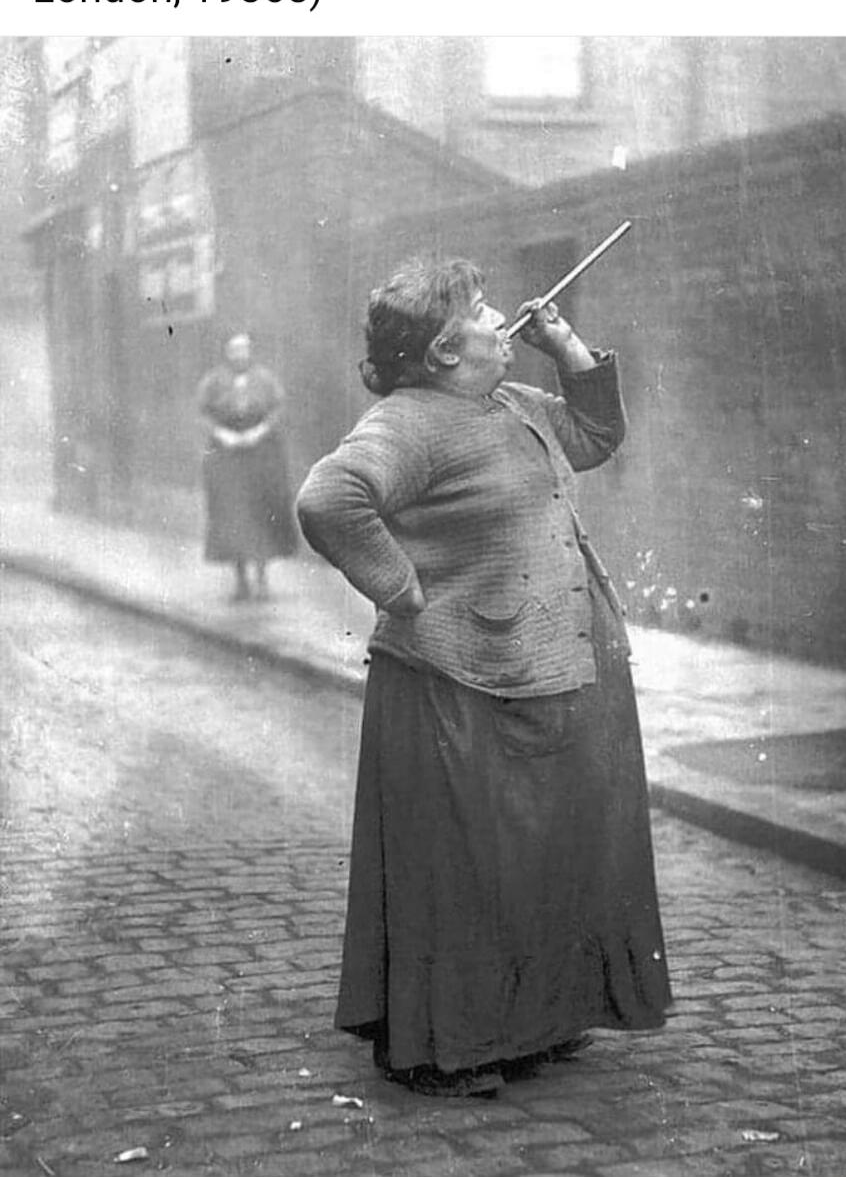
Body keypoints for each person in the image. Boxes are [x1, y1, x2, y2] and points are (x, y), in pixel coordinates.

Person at [296, 259, 672, 1098]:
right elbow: (330, 499)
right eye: (481, 311)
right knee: (466, 866)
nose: (504, 318)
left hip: (547, 662)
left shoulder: (508, 401)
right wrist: (403, 590)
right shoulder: (409, 424)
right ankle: (446, 1048)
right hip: (457, 679)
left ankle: (532, 1024)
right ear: (439, 351)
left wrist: (564, 345)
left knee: (543, 852)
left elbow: (597, 438)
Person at [198, 332, 298, 601]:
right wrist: (222, 434)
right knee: (233, 515)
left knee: (263, 512)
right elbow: (203, 413)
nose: (239, 355)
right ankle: (241, 581)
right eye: (234, 350)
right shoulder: (214, 381)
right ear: (227, 353)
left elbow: (278, 408)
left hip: (260, 453)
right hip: (228, 455)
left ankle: (262, 580)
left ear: (250, 352)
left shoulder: (265, 380)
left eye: (244, 350)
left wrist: (261, 431)